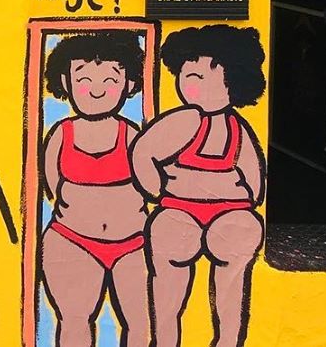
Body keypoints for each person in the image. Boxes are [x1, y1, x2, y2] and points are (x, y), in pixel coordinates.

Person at [130, 25, 266, 347]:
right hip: (181, 211)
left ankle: (222, 341)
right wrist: (158, 191)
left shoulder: (237, 129)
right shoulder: (185, 121)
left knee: (223, 285)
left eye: (203, 76)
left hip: (226, 214)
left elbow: (254, 177)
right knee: (175, 288)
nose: (193, 83)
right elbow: (143, 154)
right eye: (188, 75)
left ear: (232, 82)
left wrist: (158, 190)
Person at [40, 31, 149, 347]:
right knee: (74, 321)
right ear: (66, 81)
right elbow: (51, 183)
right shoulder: (61, 134)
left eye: (110, 80)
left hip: (133, 243)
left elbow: (148, 182)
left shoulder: (132, 135)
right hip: (72, 240)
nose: (97, 90)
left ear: (129, 83)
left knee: (140, 323)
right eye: (84, 79)